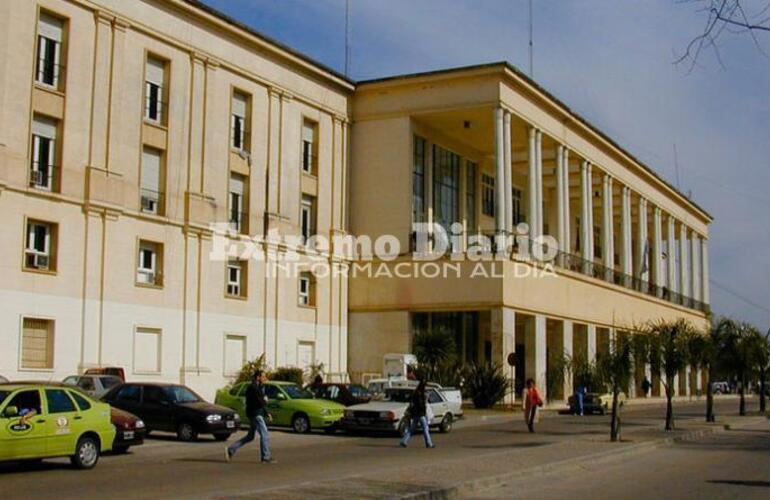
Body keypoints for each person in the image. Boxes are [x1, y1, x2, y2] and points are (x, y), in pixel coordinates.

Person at [225, 370, 275, 463]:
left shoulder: (258, 387)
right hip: (256, 414)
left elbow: (260, 401)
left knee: (250, 436)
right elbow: (260, 401)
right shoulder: (254, 388)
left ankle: (231, 449)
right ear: (258, 377)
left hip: (254, 413)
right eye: (263, 377)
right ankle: (265, 456)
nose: (265, 379)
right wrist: (266, 408)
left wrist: (265, 409)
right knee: (265, 434)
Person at [399, 381, 434, 448]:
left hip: (415, 414)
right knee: (425, 428)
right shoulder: (420, 395)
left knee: (412, 429)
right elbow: (421, 405)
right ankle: (429, 443)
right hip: (421, 414)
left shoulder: (415, 393)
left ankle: (404, 441)